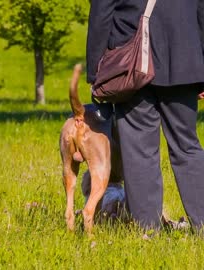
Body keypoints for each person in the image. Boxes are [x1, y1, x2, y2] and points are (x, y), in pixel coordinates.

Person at [86, 0, 204, 231]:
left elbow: (102, 10)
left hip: (130, 62)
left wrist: (95, 70)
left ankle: (147, 231)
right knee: (188, 147)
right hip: (185, 59)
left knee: (139, 152)